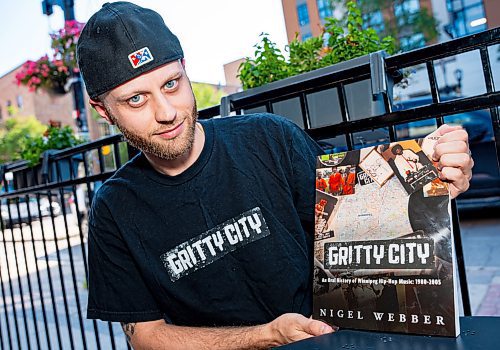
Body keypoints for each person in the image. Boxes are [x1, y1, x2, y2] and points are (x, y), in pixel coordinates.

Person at [77, 2, 474, 349]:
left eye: (171, 84)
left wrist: (427, 181)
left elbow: (358, 221)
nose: (166, 111)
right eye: (136, 99)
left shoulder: (269, 138)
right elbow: (146, 337)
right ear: (103, 111)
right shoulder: (114, 207)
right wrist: (267, 335)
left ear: (185, 68)